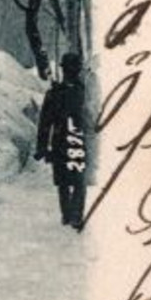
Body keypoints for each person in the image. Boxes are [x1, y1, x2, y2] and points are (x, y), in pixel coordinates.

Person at [36, 52, 90, 230]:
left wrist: (42, 147)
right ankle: (71, 216)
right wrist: (42, 147)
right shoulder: (79, 93)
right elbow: (45, 122)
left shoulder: (79, 93)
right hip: (68, 142)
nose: (72, 72)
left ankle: (72, 216)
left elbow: (45, 123)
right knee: (69, 181)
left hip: (68, 142)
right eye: (71, 69)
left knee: (72, 182)